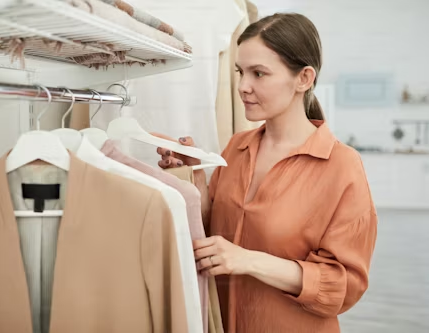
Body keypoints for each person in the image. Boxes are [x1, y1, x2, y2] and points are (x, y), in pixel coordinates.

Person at [156, 13, 378, 333]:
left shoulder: (342, 167)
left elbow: (343, 287)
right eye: (240, 72)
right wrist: (197, 183)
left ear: (304, 78)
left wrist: (249, 261)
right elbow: (214, 233)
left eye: (259, 73)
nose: (243, 86)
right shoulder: (236, 147)